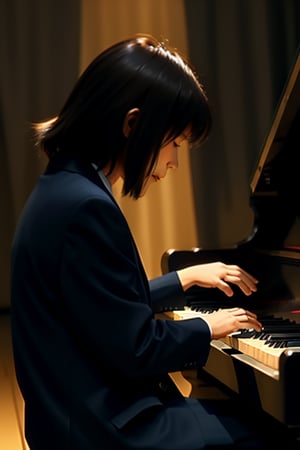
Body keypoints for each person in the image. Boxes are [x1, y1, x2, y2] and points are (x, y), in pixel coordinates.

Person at [10, 34, 298, 450]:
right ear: (132, 125)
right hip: (104, 431)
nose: (174, 161)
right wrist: (208, 325)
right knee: (271, 434)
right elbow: (136, 349)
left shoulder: (65, 186)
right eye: (175, 143)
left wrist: (181, 280)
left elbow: (100, 309)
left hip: (79, 414)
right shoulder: (85, 208)